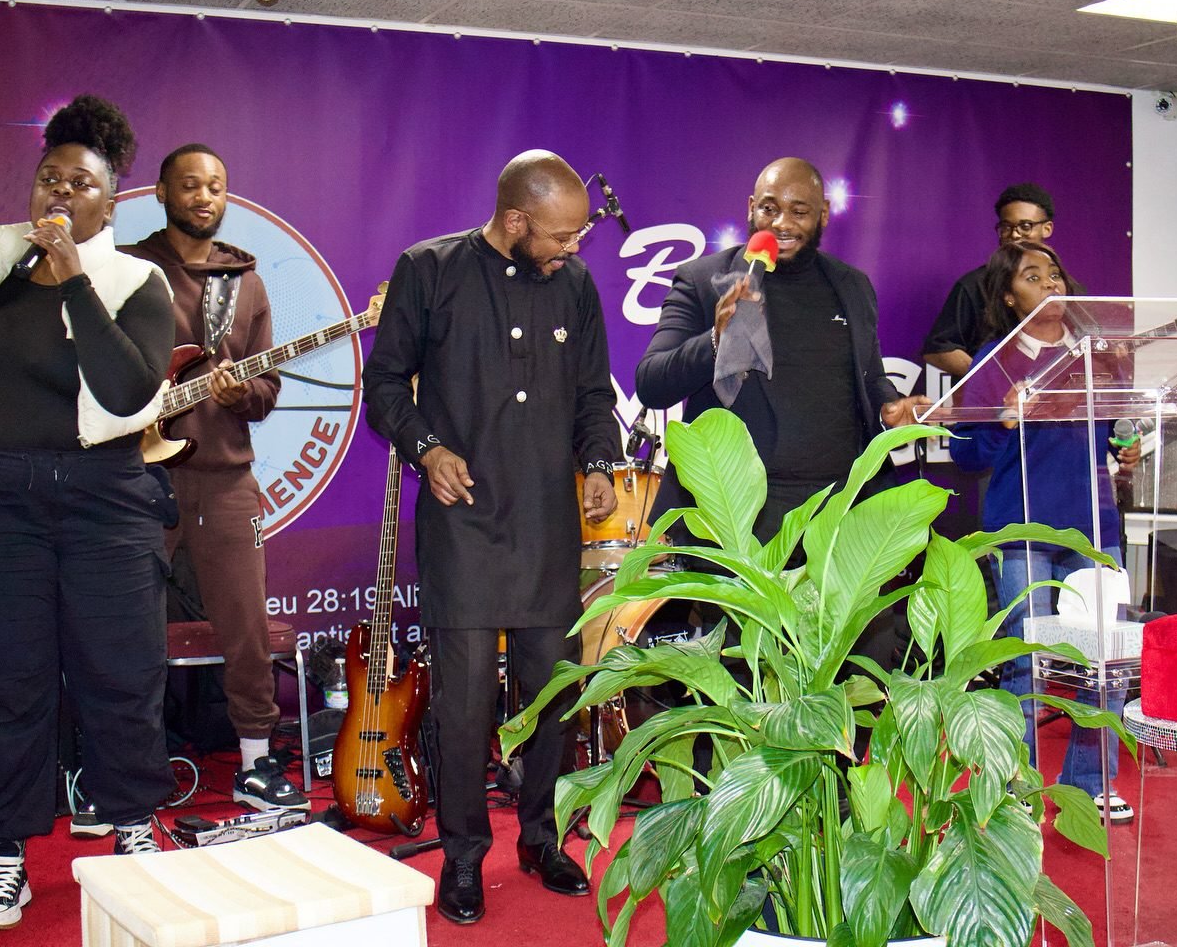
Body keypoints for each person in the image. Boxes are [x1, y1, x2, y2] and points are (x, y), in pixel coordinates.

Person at [363, 150, 619, 925]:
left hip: (546, 524)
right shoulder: (429, 270)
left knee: (553, 696)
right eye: (561, 235)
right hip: (464, 522)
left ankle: (543, 838)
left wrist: (598, 460)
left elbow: (593, 392)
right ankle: (465, 855)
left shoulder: (575, 285)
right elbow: (384, 385)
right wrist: (427, 449)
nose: (573, 247)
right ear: (514, 221)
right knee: (465, 704)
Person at [0, 94, 177, 930]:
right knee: (0, 681)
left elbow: (126, 392)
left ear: (108, 206)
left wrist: (74, 275)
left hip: (101, 499)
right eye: (50, 177)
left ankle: (131, 827)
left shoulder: (135, 282)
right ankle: (5, 854)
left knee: (120, 674)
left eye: (80, 184)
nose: (59, 192)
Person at [635, 156, 925, 671]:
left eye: (799, 211)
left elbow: (869, 376)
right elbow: (652, 381)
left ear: (824, 215)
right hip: (741, 519)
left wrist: (891, 407)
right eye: (769, 209)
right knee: (745, 677)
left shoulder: (852, 285)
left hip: (839, 517)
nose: (782, 223)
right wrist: (715, 338)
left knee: (846, 675)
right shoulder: (704, 280)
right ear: (751, 208)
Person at [121, 145, 307, 811]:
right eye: (190, 185)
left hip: (226, 479)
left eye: (216, 187)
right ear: (162, 193)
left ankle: (255, 763)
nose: (204, 197)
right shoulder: (128, 271)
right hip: (137, 477)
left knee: (245, 625)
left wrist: (240, 393)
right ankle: (123, 770)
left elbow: (267, 388)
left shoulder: (245, 282)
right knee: (122, 626)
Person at [948, 240, 1139, 821]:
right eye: (1032, 277)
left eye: (1053, 273)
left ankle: (1087, 782)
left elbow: (1116, 430)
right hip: (1021, 531)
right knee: (1025, 663)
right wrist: (1004, 418)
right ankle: (1019, 785)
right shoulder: (994, 360)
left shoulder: (1096, 355)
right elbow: (966, 454)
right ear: (1010, 297)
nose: (1049, 284)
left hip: (1093, 527)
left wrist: (1126, 448)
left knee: (1106, 660)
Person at [922, 183, 1058, 380]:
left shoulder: (1063, 287)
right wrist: (992, 379)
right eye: (1006, 227)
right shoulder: (973, 285)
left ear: (1047, 228)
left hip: (1054, 399)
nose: (1014, 234)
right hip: (988, 398)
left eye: (1025, 226)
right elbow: (938, 349)